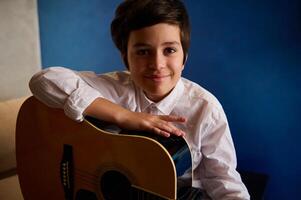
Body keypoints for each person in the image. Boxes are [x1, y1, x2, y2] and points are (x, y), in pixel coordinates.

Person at [29, 0, 250, 199]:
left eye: (170, 50)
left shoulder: (205, 108)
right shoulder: (115, 88)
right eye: (143, 52)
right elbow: (44, 79)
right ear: (126, 58)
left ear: (184, 57)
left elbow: (223, 180)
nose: (157, 64)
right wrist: (125, 116)